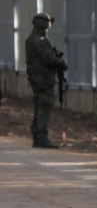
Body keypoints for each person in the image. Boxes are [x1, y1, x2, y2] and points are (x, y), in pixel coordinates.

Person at [25, 12, 67, 149]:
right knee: (44, 105)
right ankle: (41, 136)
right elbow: (47, 58)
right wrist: (60, 62)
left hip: (38, 79)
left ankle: (38, 135)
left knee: (39, 105)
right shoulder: (40, 40)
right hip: (43, 80)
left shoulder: (33, 38)